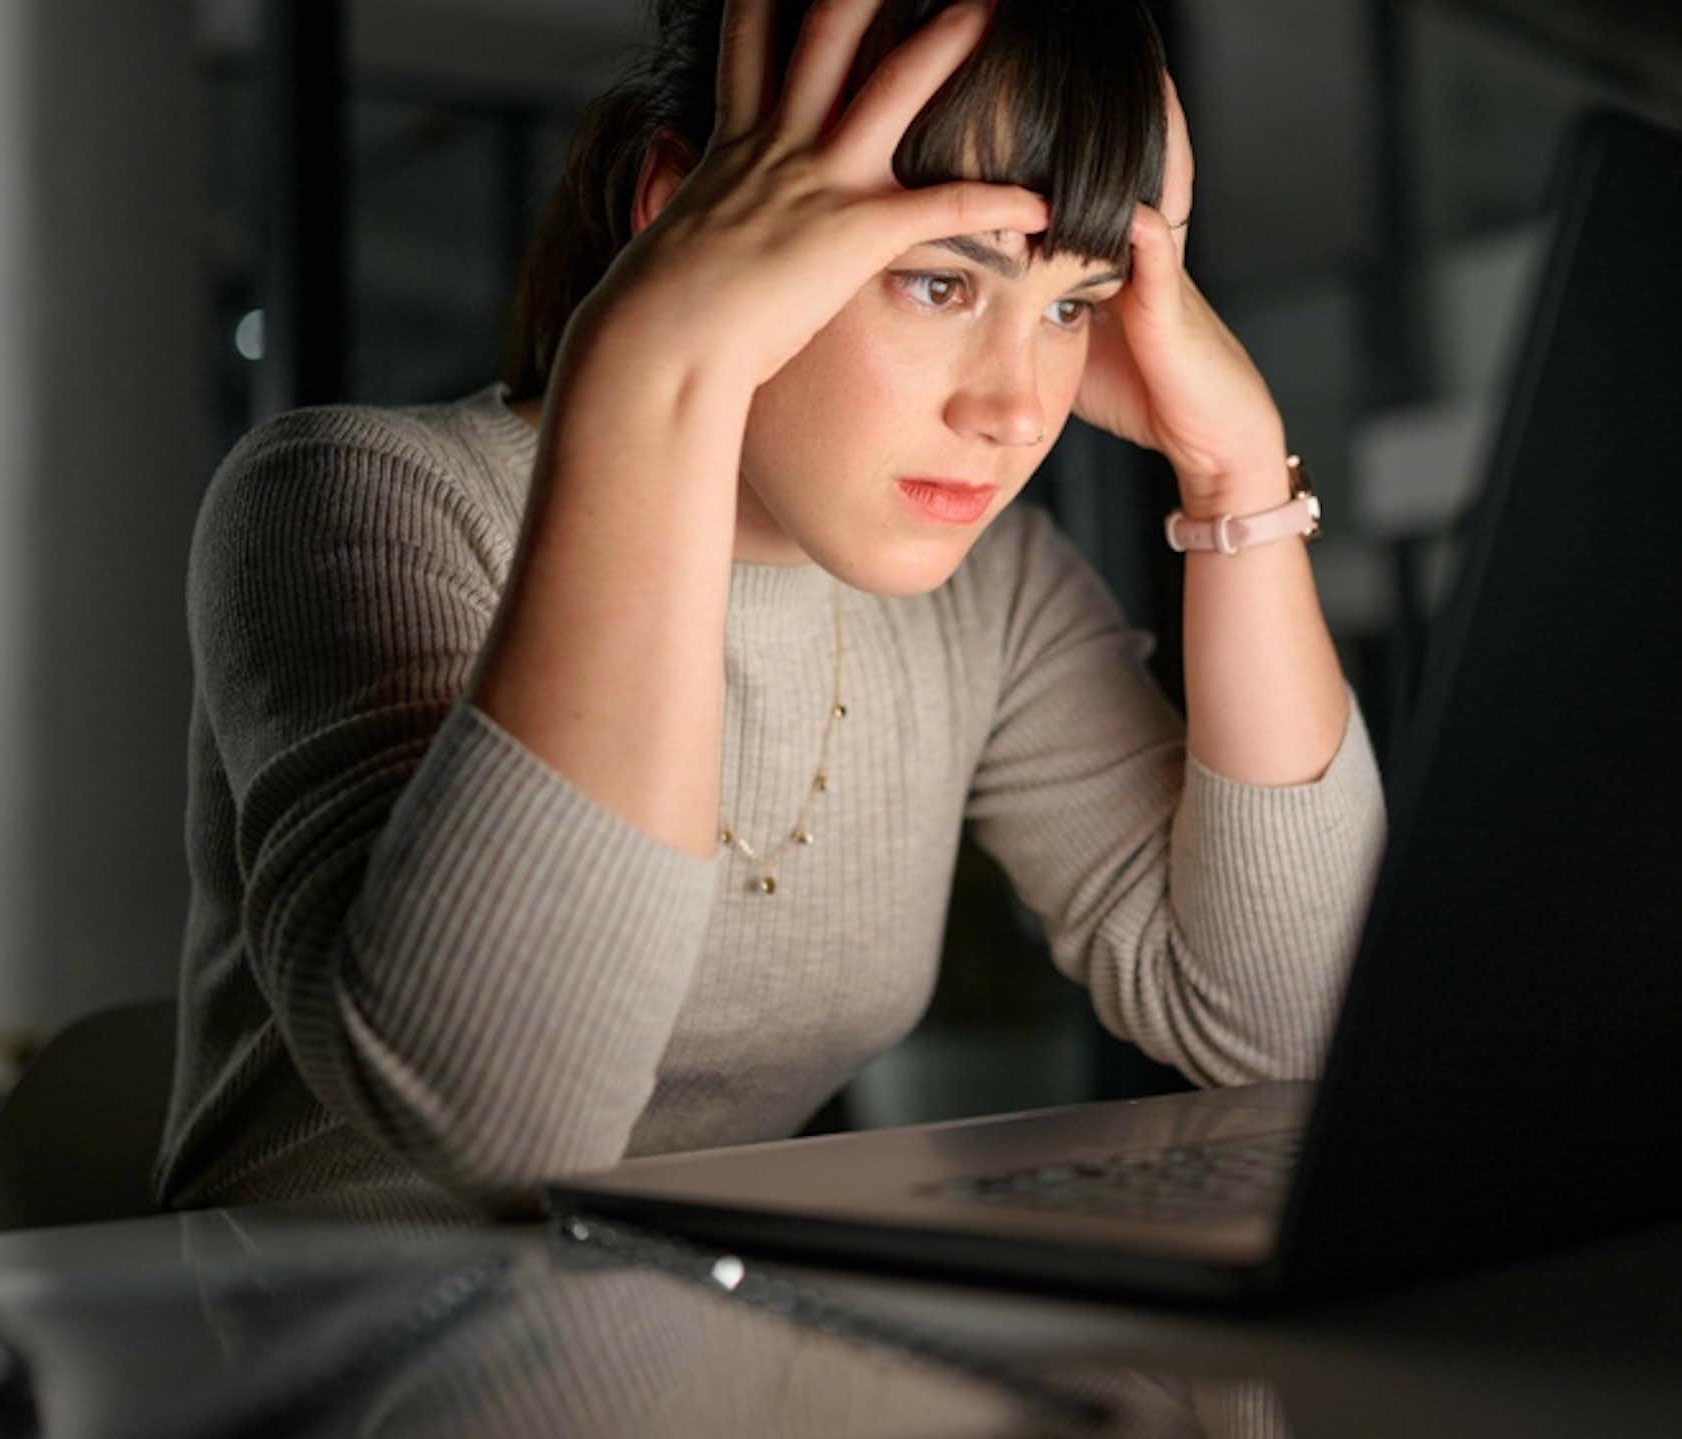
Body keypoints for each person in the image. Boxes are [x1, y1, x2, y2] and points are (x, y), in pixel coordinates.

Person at [154, 0, 1386, 1215]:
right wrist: (652, 353)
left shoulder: (993, 590)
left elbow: (1291, 1026)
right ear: (684, 217)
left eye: (1072, 306)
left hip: (678, 1325)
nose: (1016, 409)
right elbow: (506, 1123)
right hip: (297, 1327)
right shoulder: (354, 497)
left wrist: (1238, 471)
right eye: (938, 282)